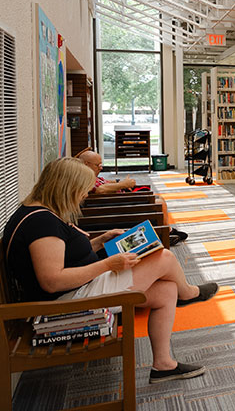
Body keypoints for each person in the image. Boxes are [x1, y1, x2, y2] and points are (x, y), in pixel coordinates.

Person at [2, 158, 217, 383]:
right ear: (66, 187)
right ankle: (189, 293)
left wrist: (101, 241)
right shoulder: (41, 223)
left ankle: (163, 365)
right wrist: (107, 264)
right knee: (164, 257)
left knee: (166, 291)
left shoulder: (40, 212)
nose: (84, 196)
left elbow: (66, 257)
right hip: (66, 303)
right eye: (82, 190)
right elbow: (52, 281)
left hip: (78, 289)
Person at [77, 150, 187, 246]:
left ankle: (168, 230)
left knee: (159, 199)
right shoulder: (85, 178)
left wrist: (121, 183)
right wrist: (123, 185)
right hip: (116, 207)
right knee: (159, 202)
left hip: (120, 201)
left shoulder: (93, 176)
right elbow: (100, 190)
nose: (101, 168)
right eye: (98, 165)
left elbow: (107, 183)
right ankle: (166, 232)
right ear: (87, 164)